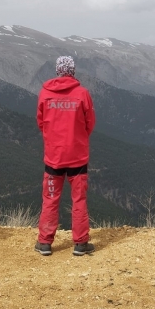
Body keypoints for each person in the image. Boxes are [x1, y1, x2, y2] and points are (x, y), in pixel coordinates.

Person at [35, 56, 96, 256]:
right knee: (79, 199)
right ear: (72, 71)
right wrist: (78, 138)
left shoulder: (45, 93)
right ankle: (80, 243)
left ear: (57, 70)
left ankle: (45, 242)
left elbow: (41, 122)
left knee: (51, 198)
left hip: (54, 156)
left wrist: (52, 138)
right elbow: (90, 123)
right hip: (77, 156)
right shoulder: (82, 94)